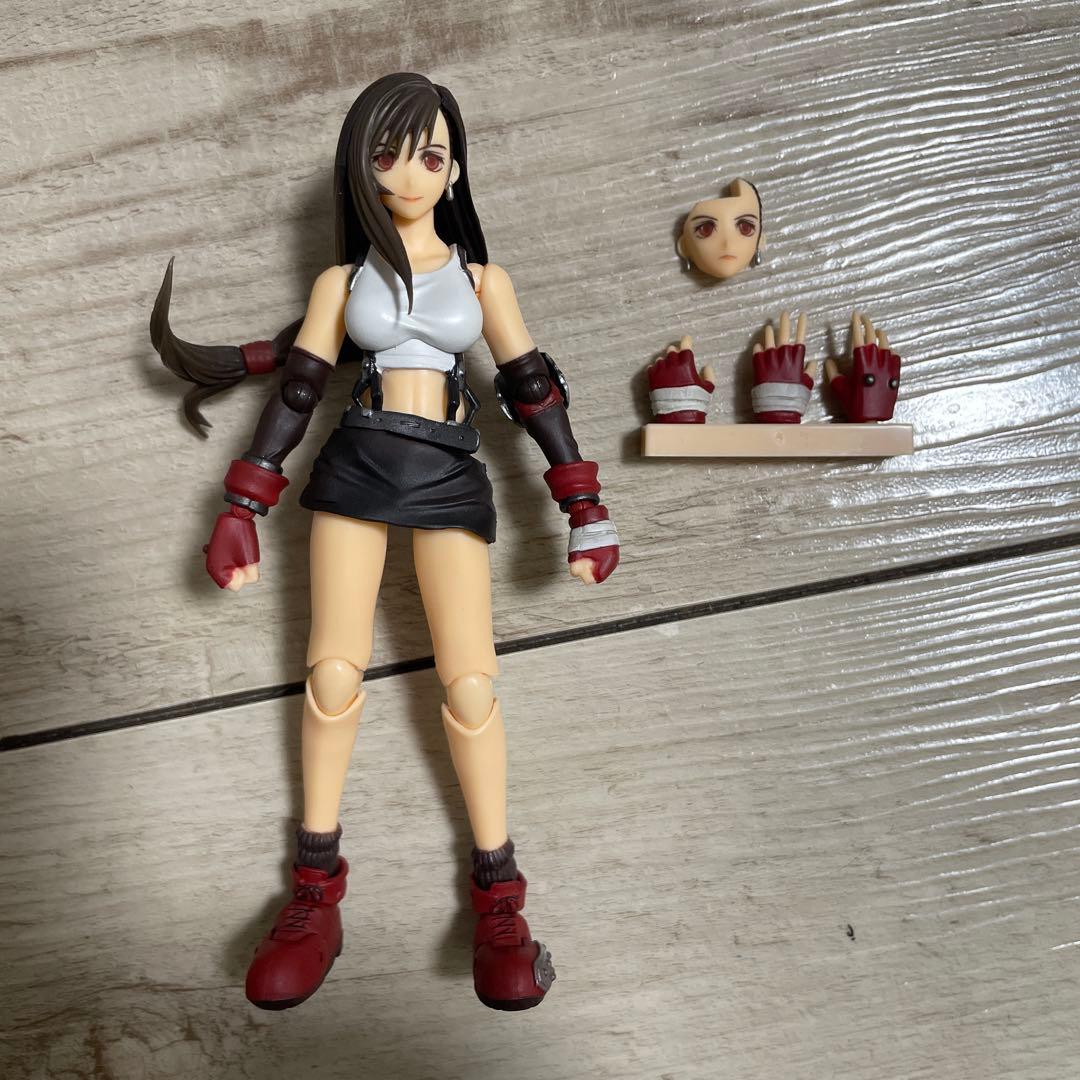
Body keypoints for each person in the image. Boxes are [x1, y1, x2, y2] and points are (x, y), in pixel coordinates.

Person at [151, 72, 620, 1012]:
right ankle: (314, 889)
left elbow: (532, 388)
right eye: (387, 154)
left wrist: (584, 502)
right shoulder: (342, 283)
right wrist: (242, 504)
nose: (410, 174)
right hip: (359, 464)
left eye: (431, 155)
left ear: (455, 172)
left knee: (471, 683)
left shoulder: (483, 281)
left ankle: (500, 897)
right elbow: (299, 391)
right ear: (359, 168)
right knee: (332, 674)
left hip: (448, 470)